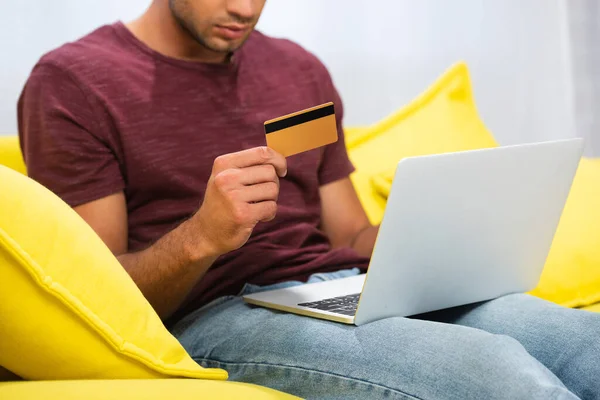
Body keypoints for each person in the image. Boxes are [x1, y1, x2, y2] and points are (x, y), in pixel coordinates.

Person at [17, 1, 599, 399]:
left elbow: (348, 235)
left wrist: (441, 232)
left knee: (586, 345)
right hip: (221, 312)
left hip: (346, 288)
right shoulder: (74, 82)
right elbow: (100, 301)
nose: (245, 8)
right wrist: (201, 236)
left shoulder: (297, 68)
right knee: (499, 377)